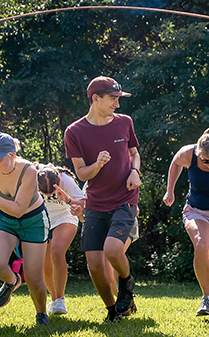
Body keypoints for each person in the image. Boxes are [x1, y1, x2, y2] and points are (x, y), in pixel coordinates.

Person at [64, 76, 140, 322]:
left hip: (125, 198)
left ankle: (127, 283)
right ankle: (113, 311)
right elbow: (81, 173)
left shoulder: (124, 123)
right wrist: (97, 165)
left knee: (113, 248)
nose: (117, 105)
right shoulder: (74, 132)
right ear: (95, 98)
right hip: (95, 202)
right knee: (94, 265)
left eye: (118, 99)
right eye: (113, 99)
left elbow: (134, 154)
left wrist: (135, 171)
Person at [0, 132, 51, 325]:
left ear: (12, 155)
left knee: (34, 277)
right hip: (3, 218)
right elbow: (3, 195)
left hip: (32, 220)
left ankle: (41, 313)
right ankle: (12, 281)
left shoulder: (28, 171)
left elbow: (19, 209)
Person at [163, 127, 209, 317]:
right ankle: (207, 299)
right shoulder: (188, 153)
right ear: (198, 154)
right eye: (206, 161)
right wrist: (170, 190)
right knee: (201, 244)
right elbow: (175, 163)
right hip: (196, 210)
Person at [35, 164, 85, 315]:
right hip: (42, 219)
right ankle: (54, 299)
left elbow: (83, 202)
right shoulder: (31, 177)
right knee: (44, 264)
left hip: (65, 216)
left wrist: (69, 200)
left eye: (52, 193)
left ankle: (61, 300)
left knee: (57, 252)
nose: (49, 196)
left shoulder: (66, 180)